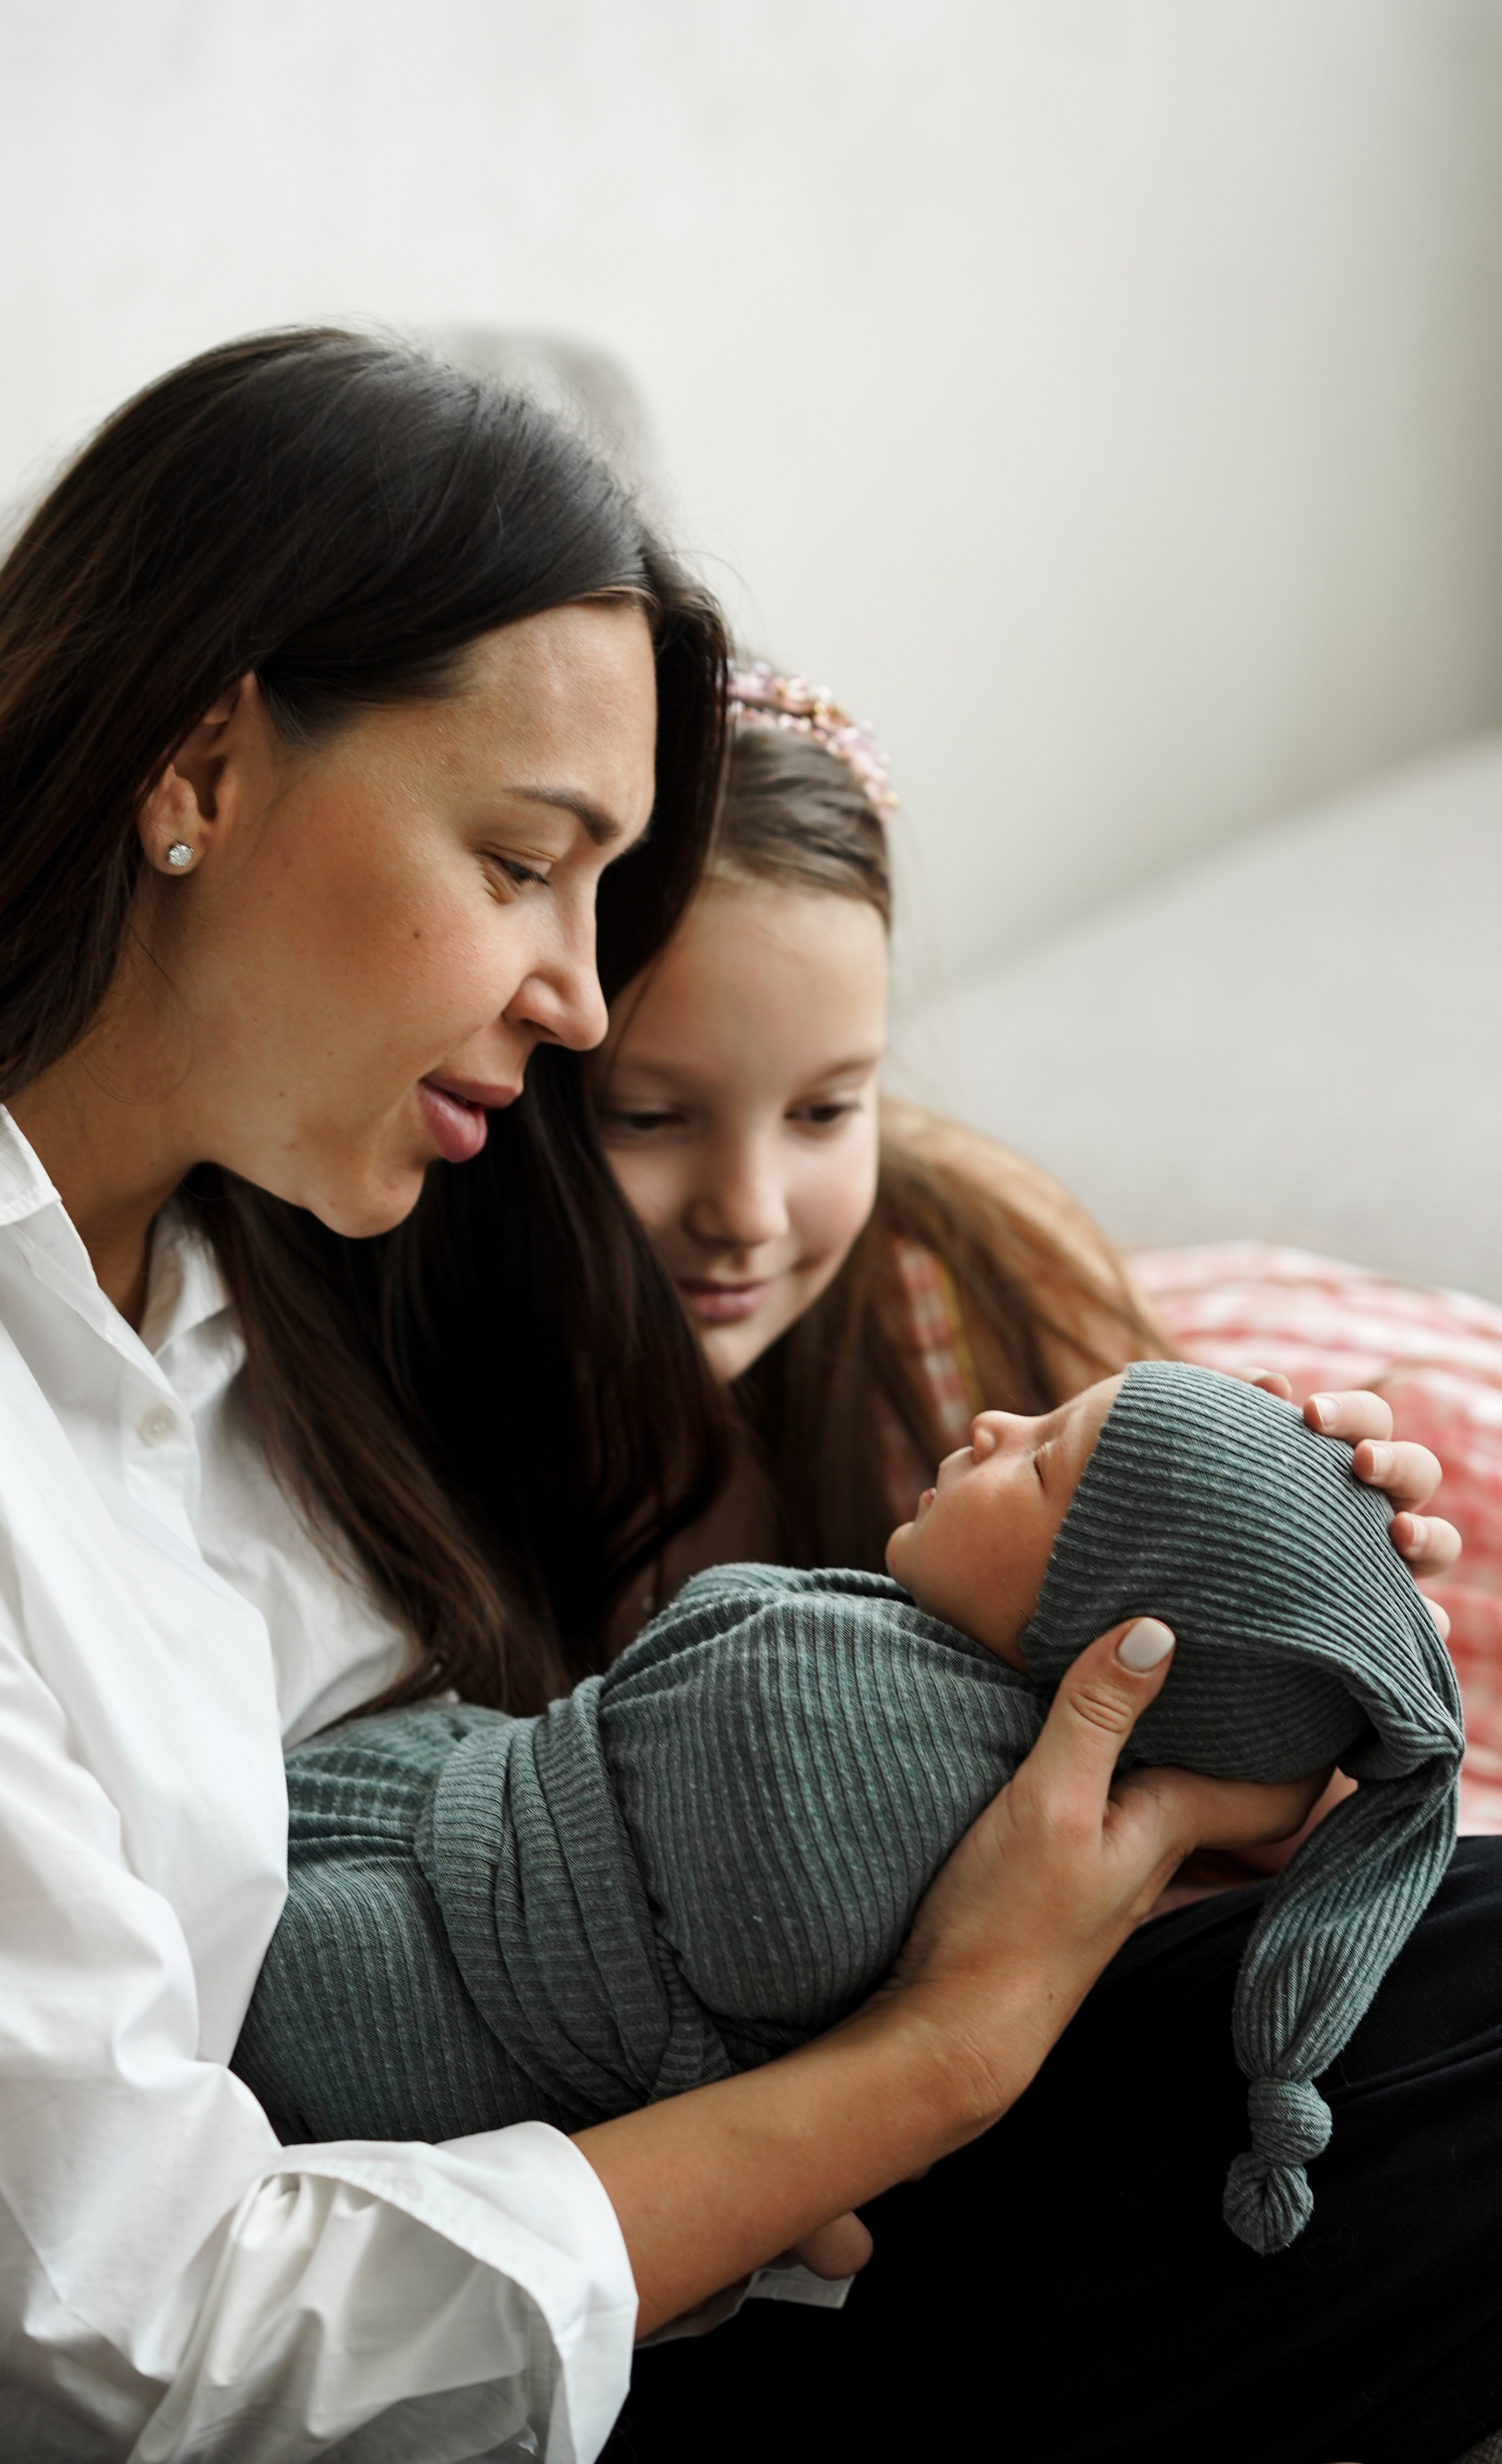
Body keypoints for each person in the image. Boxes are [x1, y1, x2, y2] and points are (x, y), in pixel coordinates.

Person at [0, 329, 1376, 2463]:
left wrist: (1247, 1585)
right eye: (518, 864)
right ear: (197, 770)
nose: (576, 1002)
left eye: (602, 891)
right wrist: (933, 2064)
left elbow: (773, 1184)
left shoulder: (272, 1233)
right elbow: (117, 2353)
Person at [588, 672, 1502, 2463]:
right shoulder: (460, 1464)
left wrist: (1269, 1735)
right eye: (645, 1114)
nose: (750, 1209)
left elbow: (1214, 1824)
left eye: (828, 1108)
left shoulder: (951, 1299)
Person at [236, 1358, 1460, 2280]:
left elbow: (751, 1854)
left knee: (262, 1976)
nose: (990, 1426)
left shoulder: (869, 1745)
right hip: (449, 1853)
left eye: (1040, 1463)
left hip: (432, 1995)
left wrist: (1229, 1812)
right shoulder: (986, 1756)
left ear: (1105, 1637)